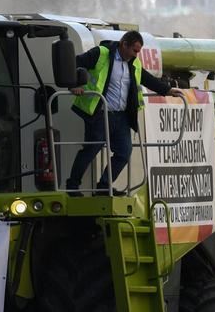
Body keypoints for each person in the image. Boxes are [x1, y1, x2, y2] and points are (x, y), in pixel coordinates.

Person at [67, 31, 185, 195]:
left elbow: (147, 79)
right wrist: (73, 85)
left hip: (121, 116)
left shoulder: (133, 64)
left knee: (124, 152)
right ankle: (72, 186)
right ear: (124, 44)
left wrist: (168, 90)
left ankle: (103, 187)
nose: (136, 55)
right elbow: (73, 63)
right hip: (100, 113)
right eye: (135, 50)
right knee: (91, 149)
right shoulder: (101, 54)